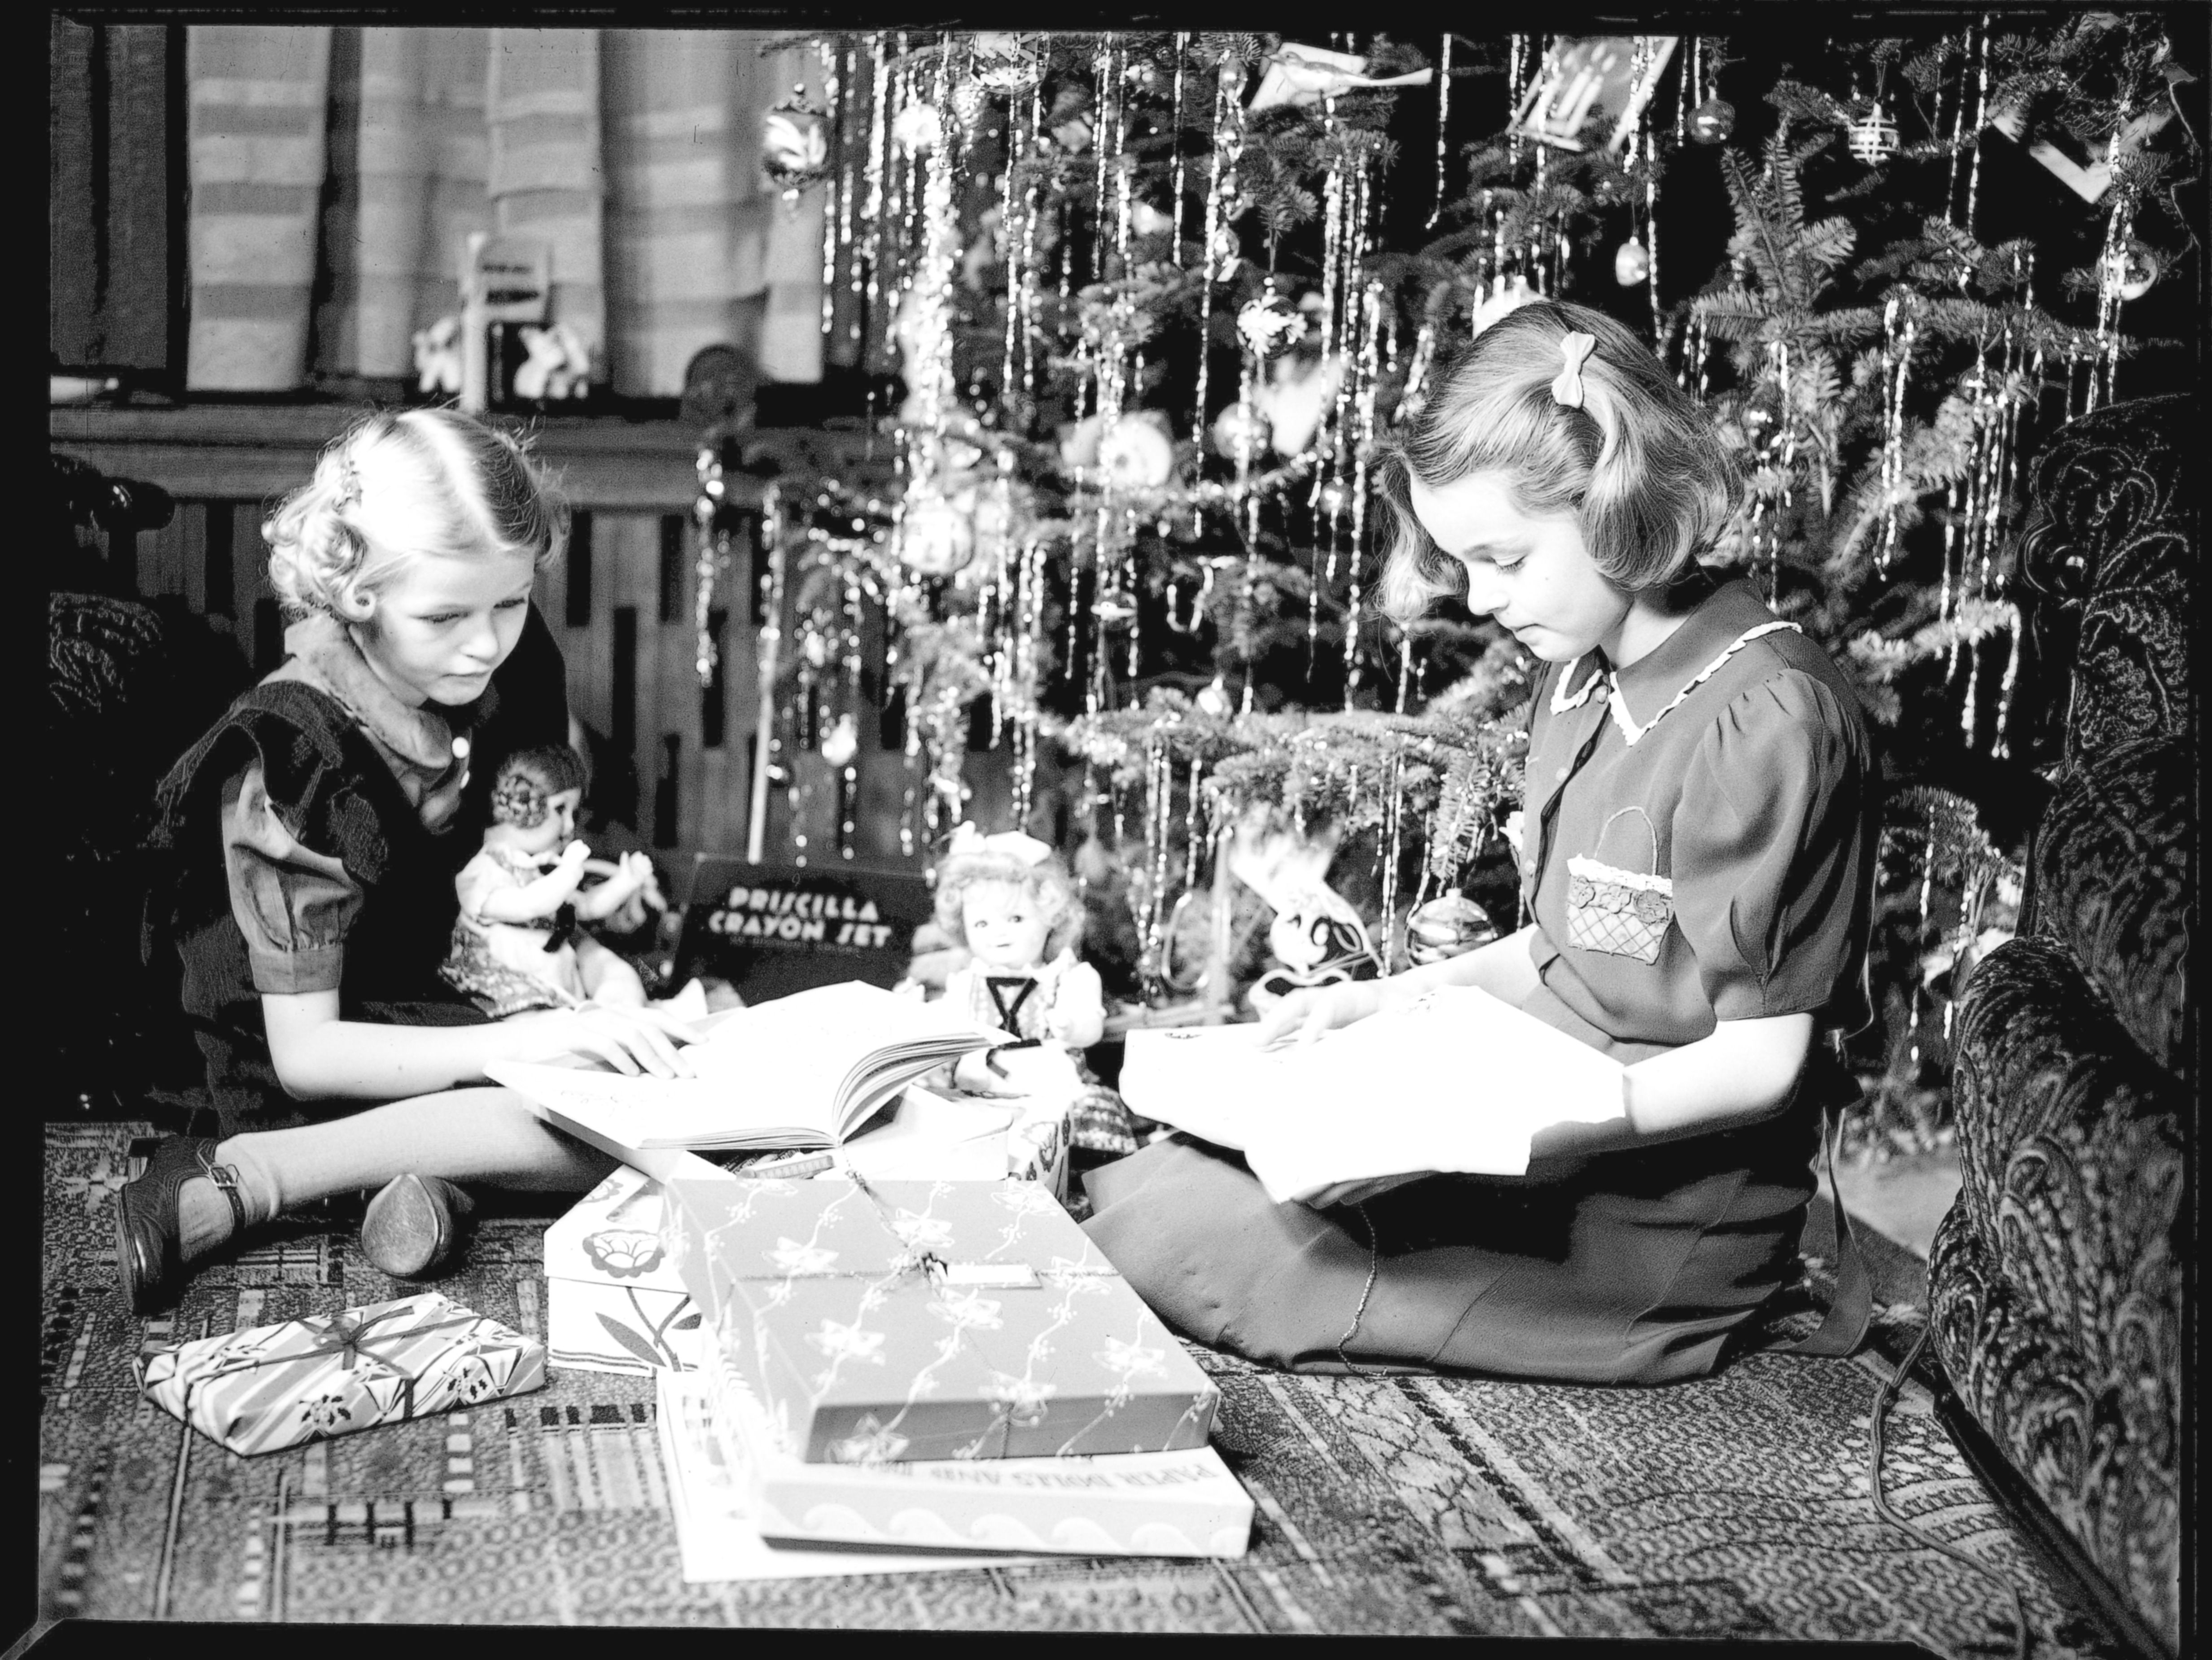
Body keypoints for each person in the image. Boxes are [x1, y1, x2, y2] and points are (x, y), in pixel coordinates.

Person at [1083, 301, 1879, 1384]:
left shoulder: (1768, 716)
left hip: (1664, 1191)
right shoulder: (1579, 669)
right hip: (1542, 1101)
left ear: (1616, 508)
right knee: (1169, 1180)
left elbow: (1761, 1065)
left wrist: (1540, 1121)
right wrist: (1379, 1005)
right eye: (1463, 564)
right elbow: (1561, 948)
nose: (1483, 598)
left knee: (1203, 1243)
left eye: (1504, 558)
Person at [124, 408, 696, 1313]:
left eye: (510, 602)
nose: (486, 642)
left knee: (637, 1070)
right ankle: (261, 1171)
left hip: (430, 993)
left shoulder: (501, 660)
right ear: (356, 596)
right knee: (599, 1122)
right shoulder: (289, 762)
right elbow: (308, 1053)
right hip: (299, 1046)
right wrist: (523, 1041)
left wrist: (588, 919)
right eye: (444, 615)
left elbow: (513, 843)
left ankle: (418, 1182)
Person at [911, 823, 1137, 1162]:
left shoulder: (1066, 975)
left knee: (1086, 1113)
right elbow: (946, 1027)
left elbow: (1090, 1025)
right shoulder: (967, 982)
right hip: (979, 1085)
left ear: (1050, 916)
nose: (997, 933)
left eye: (1015, 918)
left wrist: (1072, 1026)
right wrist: (918, 1019)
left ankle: (1072, 1171)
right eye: (982, 924)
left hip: (1046, 1080)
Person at [440, 744, 665, 1017]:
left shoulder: (539, 868)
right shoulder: (485, 869)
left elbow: (585, 907)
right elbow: (526, 905)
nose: (570, 827)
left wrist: (625, 882)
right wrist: (568, 874)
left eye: (574, 813)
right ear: (523, 804)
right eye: (561, 810)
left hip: (551, 982)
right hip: (506, 990)